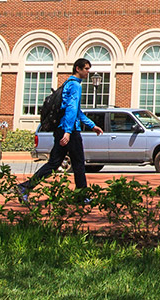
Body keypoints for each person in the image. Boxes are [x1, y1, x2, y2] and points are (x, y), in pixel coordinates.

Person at [16, 58, 103, 202]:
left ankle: (25, 187)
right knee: (79, 163)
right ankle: (82, 196)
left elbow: (76, 111)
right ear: (78, 69)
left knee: (54, 163)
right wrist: (68, 132)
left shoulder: (67, 84)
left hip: (61, 129)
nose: (88, 72)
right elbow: (71, 109)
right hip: (70, 130)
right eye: (86, 69)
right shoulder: (75, 85)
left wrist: (91, 125)